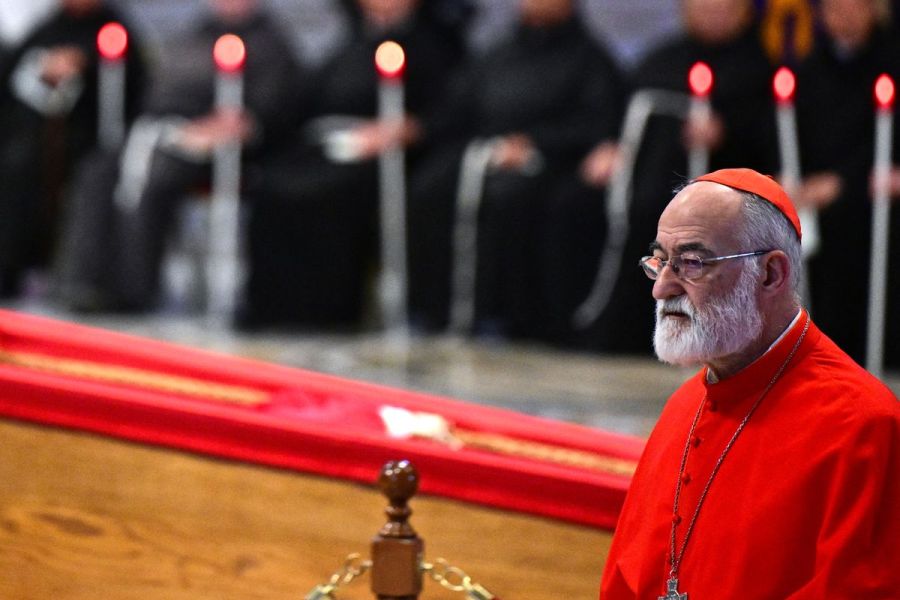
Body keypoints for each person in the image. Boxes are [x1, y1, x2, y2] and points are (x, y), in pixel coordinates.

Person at [599, 168, 900, 599]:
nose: (662, 288)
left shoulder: (862, 426)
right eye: (660, 261)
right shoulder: (684, 406)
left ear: (771, 274)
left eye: (692, 263)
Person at [56, 0, 306, 313]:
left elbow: (275, 106)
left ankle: (132, 288)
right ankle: (85, 280)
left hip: (219, 147)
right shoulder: (194, 35)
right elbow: (159, 89)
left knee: (155, 174)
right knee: (98, 170)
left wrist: (242, 122)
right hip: (162, 130)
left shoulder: (271, 43)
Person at [240, 0, 467, 330]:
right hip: (330, 142)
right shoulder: (353, 40)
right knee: (273, 185)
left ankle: (329, 312)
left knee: (329, 193)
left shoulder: (437, 45)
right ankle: (275, 309)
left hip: (387, 154)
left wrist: (408, 128)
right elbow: (306, 97)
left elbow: (450, 109)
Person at [406, 0, 624, 339]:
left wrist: (535, 143)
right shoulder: (498, 53)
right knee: (429, 187)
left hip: (548, 162)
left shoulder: (590, 59)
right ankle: (432, 308)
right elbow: (458, 108)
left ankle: (496, 313)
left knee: (506, 198)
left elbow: (595, 124)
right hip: (486, 151)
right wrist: (419, 127)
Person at [569, 0, 777, 354]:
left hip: (720, 188)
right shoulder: (661, 60)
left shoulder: (759, 70)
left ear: (744, 11)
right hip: (643, 182)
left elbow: (772, 141)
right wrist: (612, 146)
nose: (710, 10)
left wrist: (726, 133)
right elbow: (624, 116)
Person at [0, 0, 146, 298]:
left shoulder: (113, 27)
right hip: (33, 140)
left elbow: (131, 87)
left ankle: (78, 282)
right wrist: (44, 66)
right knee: (16, 170)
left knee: (92, 177)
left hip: (92, 136)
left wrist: (85, 62)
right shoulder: (50, 25)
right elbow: (14, 70)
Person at [793, 0, 900, 368]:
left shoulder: (891, 62)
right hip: (825, 217)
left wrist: (843, 182)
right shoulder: (810, 69)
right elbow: (790, 133)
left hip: (880, 208)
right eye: (835, 8)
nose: (845, 16)